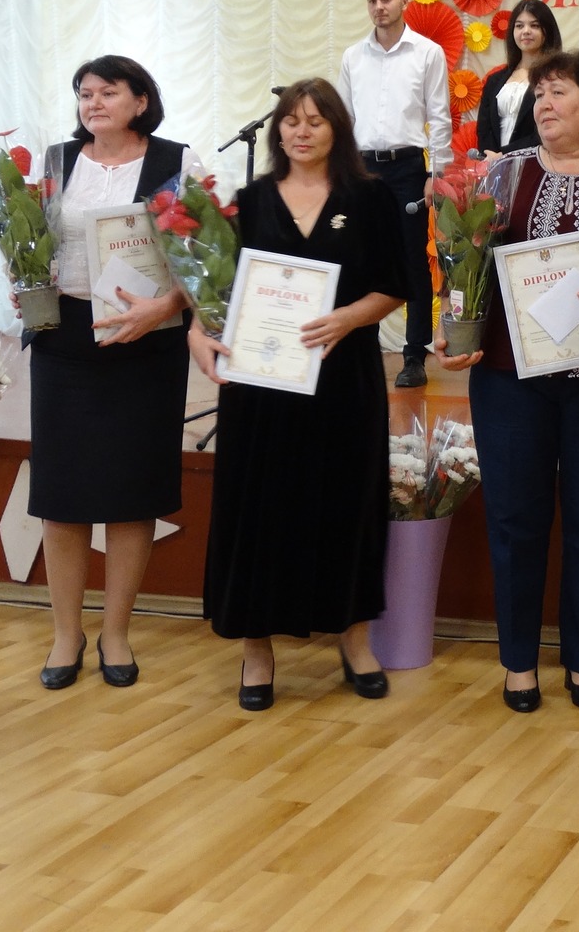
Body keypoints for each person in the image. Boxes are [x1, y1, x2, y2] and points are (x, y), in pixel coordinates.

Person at [433, 49, 579, 714]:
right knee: (514, 520)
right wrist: (453, 321)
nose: (545, 104)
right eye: (539, 95)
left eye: (559, 92)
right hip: (510, 377)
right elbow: (466, 262)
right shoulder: (505, 172)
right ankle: (519, 663)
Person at [187, 79, 407, 711]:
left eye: (315, 120)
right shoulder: (249, 201)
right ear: (277, 130)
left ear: (338, 128)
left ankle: (355, 641)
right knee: (257, 507)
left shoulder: (369, 197)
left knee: (348, 507)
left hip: (344, 379)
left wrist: (347, 318)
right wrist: (198, 333)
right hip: (263, 383)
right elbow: (214, 289)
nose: (301, 131)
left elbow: (395, 284)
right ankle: (257, 651)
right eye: (291, 121)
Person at [29, 56, 194, 691]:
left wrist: (167, 306)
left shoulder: (175, 163)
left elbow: (209, 257)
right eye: (84, 94)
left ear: (141, 101)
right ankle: (65, 634)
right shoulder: (55, 162)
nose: (92, 103)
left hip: (146, 339)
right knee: (62, 494)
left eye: (107, 92)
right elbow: (30, 243)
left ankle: (117, 632)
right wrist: (24, 286)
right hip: (66, 339)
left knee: (133, 491)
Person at [337, 0, 451, 389]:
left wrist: (436, 175)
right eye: (372, 0)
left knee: (411, 261)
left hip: (407, 168)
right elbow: (344, 119)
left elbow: (439, 117)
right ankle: (357, 347)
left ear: (404, 2)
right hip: (362, 169)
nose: (379, 7)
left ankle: (414, 354)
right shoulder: (353, 56)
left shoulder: (427, 53)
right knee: (359, 258)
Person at [476, 0, 560, 156]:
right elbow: (484, 129)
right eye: (519, 26)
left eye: (534, 25)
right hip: (494, 164)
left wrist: (506, 155)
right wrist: (493, 158)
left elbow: (549, 129)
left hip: (537, 161)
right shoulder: (495, 80)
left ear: (547, 31)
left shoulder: (557, 78)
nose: (526, 31)